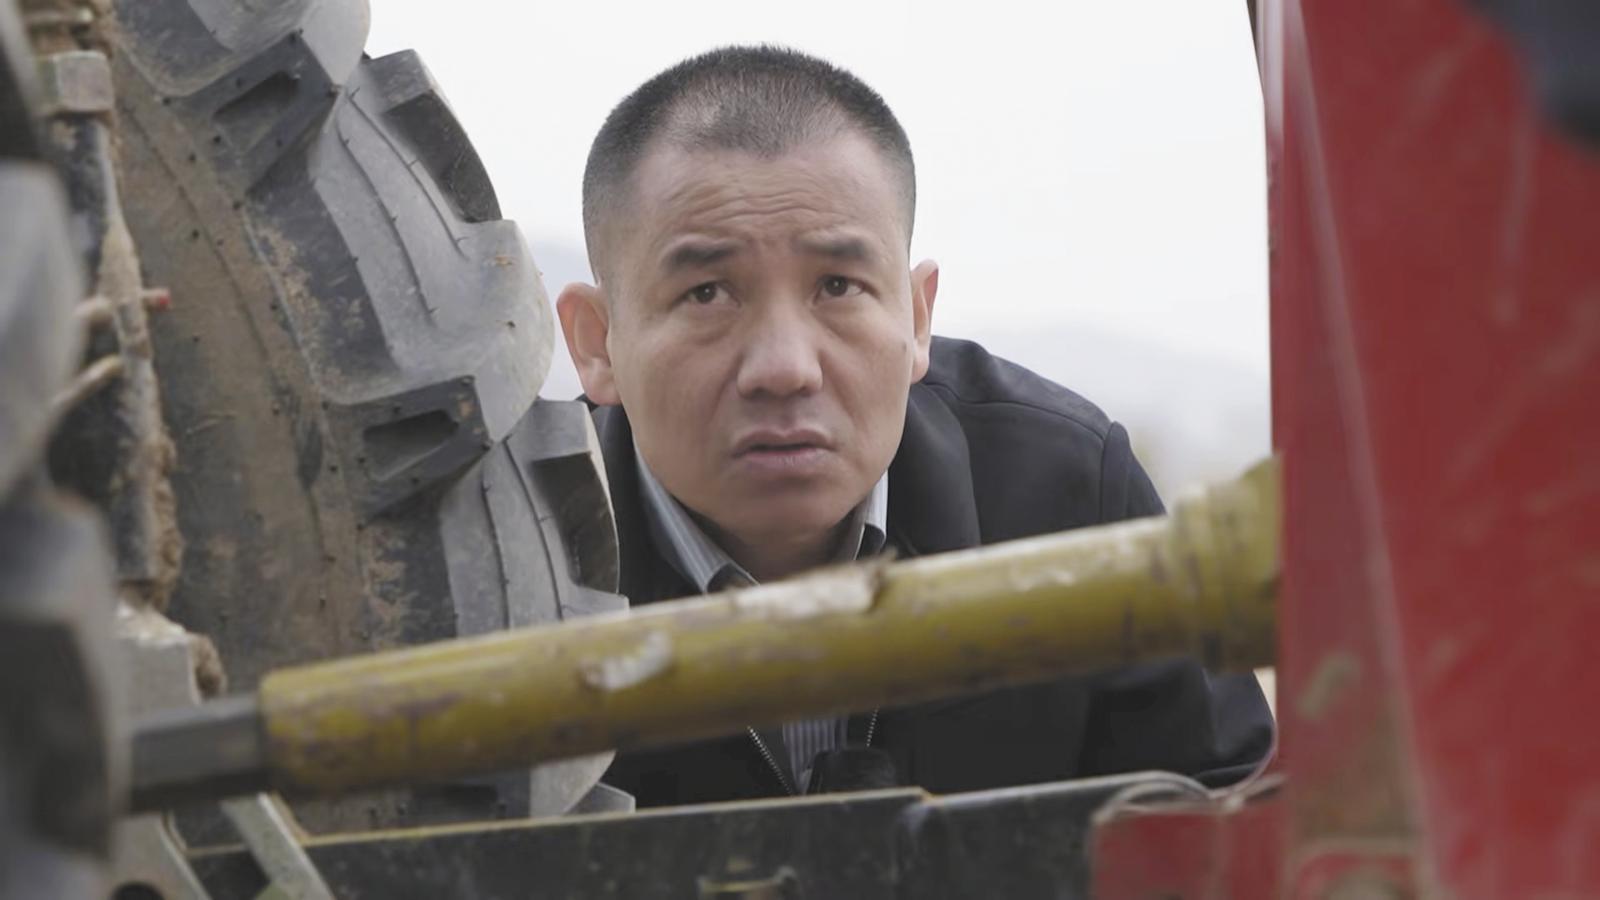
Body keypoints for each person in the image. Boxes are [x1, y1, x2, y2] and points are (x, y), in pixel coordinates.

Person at [557, 45, 1273, 807]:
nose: (785, 368)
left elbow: (1229, 811)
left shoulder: (1064, 488)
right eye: (707, 294)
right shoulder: (510, 553)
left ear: (917, 317)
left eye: (838, 286)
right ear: (597, 343)